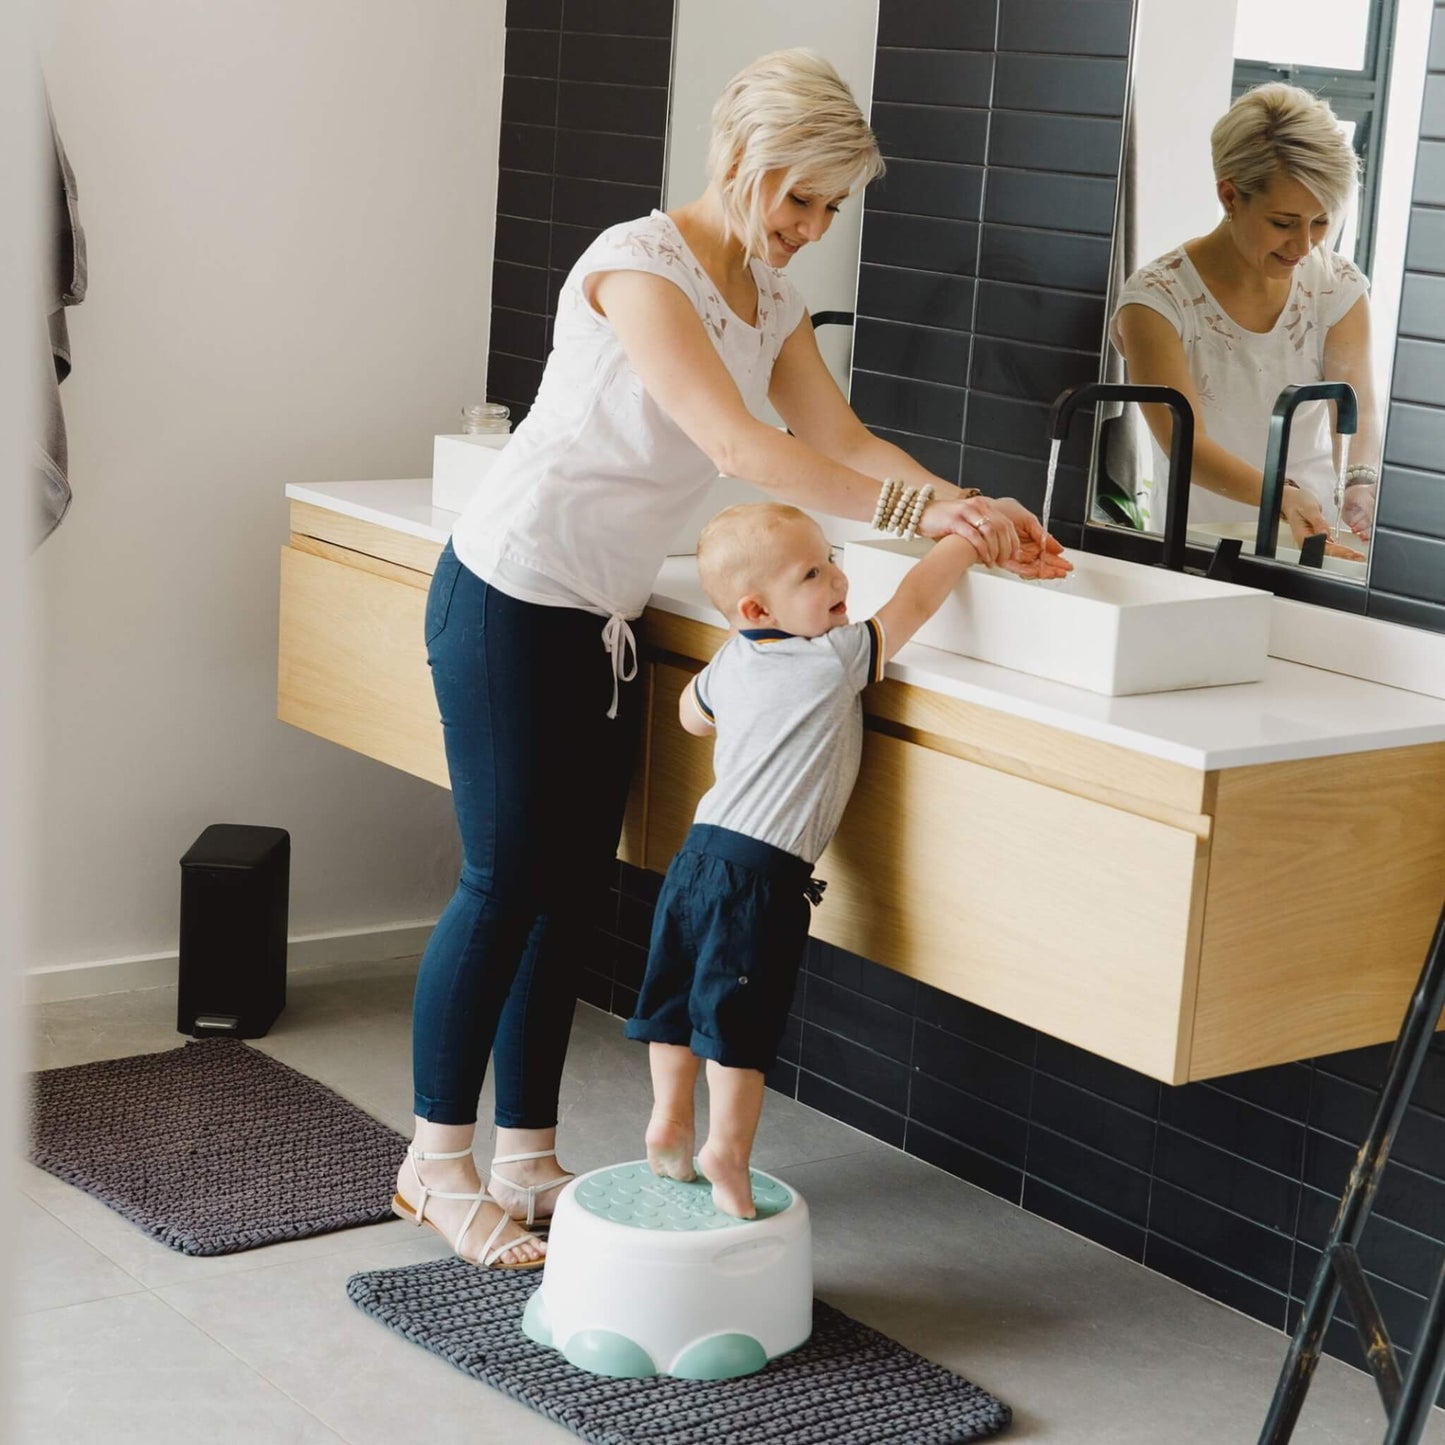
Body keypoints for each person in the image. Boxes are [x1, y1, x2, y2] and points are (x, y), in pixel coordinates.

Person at [392, 48, 1070, 1271]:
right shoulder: (634, 265)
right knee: (501, 881)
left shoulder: (768, 302)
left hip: (596, 621)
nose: (810, 228)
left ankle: (526, 1154)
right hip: (503, 593)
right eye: (798, 198)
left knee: (565, 884)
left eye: (831, 207)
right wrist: (921, 523)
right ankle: (432, 1165)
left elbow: (841, 435)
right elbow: (738, 443)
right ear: (741, 163)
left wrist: (972, 508)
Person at [625, 503, 982, 1218]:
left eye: (831, 557)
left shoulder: (733, 653)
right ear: (758, 605)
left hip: (695, 856)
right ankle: (725, 1150)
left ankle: (668, 1115)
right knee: (737, 1030)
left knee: (674, 1001)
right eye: (812, 571)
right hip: (760, 877)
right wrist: (963, 544)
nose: (837, 577)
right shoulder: (835, 655)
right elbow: (912, 601)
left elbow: (691, 715)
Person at [1112, 82, 1382, 559]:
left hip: (1315, 540)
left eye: (1320, 221)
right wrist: (1283, 497)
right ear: (1230, 196)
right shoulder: (1156, 301)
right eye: (1283, 222)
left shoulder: (1335, 286)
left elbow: (1355, 409)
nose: (1303, 245)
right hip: (1198, 544)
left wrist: (1360, 483)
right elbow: (1184, 443)